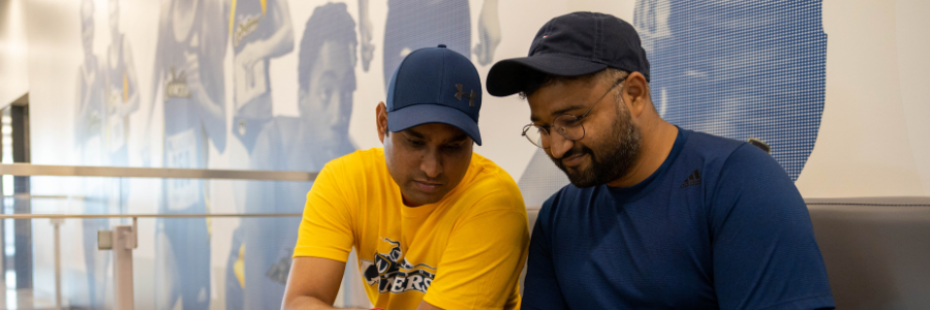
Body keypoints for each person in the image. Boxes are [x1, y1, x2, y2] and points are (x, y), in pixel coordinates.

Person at [486, 12, 835, 309]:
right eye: (544, 128)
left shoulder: (739, 182)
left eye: (573, 120)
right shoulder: (558, 217)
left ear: (635, 94)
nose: (558, 148)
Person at [283, 45, 529, 310]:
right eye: (415, 142)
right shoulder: (345, 180)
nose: (432, 168)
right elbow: (299, 302)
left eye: (453, 147)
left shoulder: (495, 203)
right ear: (382, 123)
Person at [224, 3, 358, 310]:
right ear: (303, 96)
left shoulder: (354, 164)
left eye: (348, 91)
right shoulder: (274, 145)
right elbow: (256, 258)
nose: (339, 113)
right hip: (250, 288)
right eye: (326, 92)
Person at [143, 0, 228, 308]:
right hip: (167, 195)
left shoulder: (209, 17)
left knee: (196, 298)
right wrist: (142, 135)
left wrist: (200, 92)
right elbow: (154, 77)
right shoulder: (166, 15)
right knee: (163, 296)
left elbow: (221, 134)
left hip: (197, 202)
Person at [73, 0, 108, 307]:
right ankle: (93, 297)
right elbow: (76, 129)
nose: (88, 32)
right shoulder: (82, 73)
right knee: (89, 245)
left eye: (91, 26)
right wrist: (89, 90)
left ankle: (105, 297)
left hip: (106, 179)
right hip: (88, 185)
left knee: (108, 243)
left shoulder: (100, 64)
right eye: (84, 27)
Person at [229, 0, 294, 152]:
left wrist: (261, 49)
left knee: (263, 169)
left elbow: (289, 35)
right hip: (236, 112)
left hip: (262, 112)